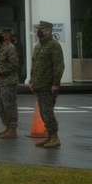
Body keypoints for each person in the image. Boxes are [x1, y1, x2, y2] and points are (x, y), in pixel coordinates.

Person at [30, 20, 65, 149]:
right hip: (39, 85)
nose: (41, 31)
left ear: (50, 30)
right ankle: (49, 137)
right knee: (43, 113)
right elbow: (34, 66)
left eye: (44, 29)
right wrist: (32, 81)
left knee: (48, 112)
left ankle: (55, 137)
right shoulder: (38, 47)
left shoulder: (53, 45)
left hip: (49, 85)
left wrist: (55, 83)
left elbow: (59, 66)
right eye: (40, 29)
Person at [0, 28, 20, 139]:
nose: (0, 37)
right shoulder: (3, 48)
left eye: (3, 35)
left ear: (8, 36)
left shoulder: (10, 48)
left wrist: (1, 71)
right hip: (3, 81)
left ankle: (12, 129)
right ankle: (7, 127)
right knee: (1, 106)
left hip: (9, 81)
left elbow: (14, 65)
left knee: (9, 106)